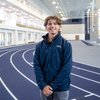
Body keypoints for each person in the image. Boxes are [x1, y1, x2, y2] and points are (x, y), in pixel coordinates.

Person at [33, 16, 72, 100]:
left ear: (59, 26)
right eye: (49, 24)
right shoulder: (39, 46)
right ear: (46, 27)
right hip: (44, 88)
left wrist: (52, 86)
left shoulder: (66, 45)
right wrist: (43, 85)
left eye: (55, 24)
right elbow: (37, 66)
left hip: (61, 88)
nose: (52, 26)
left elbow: (67, 68)